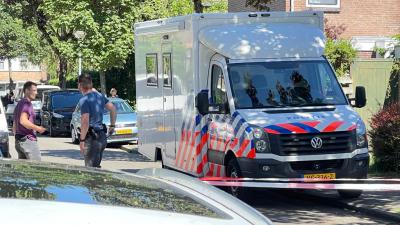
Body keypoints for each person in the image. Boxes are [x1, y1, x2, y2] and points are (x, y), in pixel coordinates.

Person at [78, 74, 117, 167]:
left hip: (92, 139)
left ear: (80, 85)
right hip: (101, 137)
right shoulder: (99, 96)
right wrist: (112, 125)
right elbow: (113, 108)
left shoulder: (84, 100)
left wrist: (82, 140)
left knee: (91, 171)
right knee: (96, 168)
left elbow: (85, 121)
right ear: (91, 83)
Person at [12, 81, 47, 160]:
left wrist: (17, 137)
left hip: (19, 141)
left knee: (24, 170)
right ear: (27, 91)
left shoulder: (19, 104)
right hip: (28, 141)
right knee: (36, 168)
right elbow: (23, 121)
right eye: (34, 90)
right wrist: (38, 128)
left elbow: (14, 124)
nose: (36, 93)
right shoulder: (27, 104)